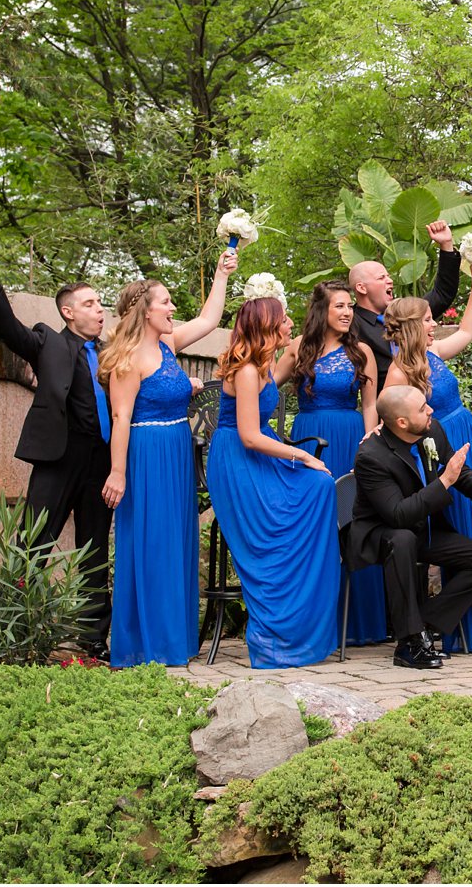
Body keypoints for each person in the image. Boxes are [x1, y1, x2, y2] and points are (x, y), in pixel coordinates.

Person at [0, 245, 114, 659]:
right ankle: (14, 638)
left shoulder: (110, 353)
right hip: (58, 458)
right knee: (32, 546)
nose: (100, 309)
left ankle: (93, 643)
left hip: (101, 462)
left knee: (94, 553)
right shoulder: (48, 341)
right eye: (90, 303)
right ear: (68, 312)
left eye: (101, 302)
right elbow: (8, 329)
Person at [96, 253, 235, 666]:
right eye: (167, 302)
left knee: (177, 542)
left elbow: (210, 320)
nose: (173, 309)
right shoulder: (127, 359)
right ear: (145, 310)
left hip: (177, 453)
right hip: (146, 456)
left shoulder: (168, 345)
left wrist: (222, 273)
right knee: (151, 543)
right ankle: (146, 643)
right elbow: (121, 417)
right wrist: (117, 473)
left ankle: (175, 639)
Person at [386, 259, 472, 652]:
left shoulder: (435, 352)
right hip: (443, 451)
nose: (433, 324)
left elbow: (467, 328)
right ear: (413, 325)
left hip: (470, 437)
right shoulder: (399, 373)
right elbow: (395, 423)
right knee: (470, 528)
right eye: (428, 319)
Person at [205, 296, 339, 669]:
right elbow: (249, 435)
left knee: (319, 489)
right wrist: (304, 455)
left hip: (259, 457)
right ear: (268, 326)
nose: (290, 324)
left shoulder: (264, 366)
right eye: (284, 320)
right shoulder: (247, 371)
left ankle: (300, 619)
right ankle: (272, 639)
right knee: (294, 507)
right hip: (238, 460)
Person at [347, 385, 472, 669]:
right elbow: (397, 515)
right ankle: (409, 646)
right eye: (422, 408)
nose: (431, 410)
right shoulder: (371, 456)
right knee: (402, 540)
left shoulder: (431, 431)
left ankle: (420, 624)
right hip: (380, 532)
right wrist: (444, 482)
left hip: (421, 529)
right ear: (401, 422)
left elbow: (455, 470)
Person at [274, 280, 385, 647]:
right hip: (309, 440)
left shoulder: (362, 352)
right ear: (322, 310)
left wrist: (369, 446)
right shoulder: (298, 349)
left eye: (350, 305)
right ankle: (313, 622)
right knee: (316, 527)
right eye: (340, 305)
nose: (347, 312)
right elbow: (265, 387)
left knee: (353, 523)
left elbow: (370, 404)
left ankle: (359, 623)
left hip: (351, 437)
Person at [348, 220, 461, 391]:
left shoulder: (405, 313)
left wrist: (446, 245)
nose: (390, 280)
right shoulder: (349, 324)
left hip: (424, 405)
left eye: (388, 276)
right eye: (381, 278)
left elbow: (442, 294)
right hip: (384, 409)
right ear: (361, 288)